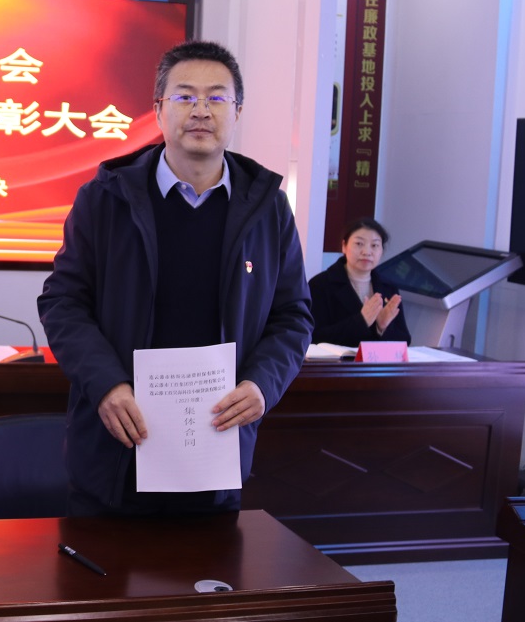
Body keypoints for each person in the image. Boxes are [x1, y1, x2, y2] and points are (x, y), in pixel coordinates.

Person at [38, 40, 312, 517]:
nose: (201, 110)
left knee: (210, 564)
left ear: (237, 111)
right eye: (185, 96)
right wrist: (106, 384)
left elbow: (293, 316)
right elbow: (63, 302)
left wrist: (262, 385)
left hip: (216, 449)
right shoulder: (105, 198)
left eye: (217, 98)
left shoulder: (267, 207)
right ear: (158, 109)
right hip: (114, 452)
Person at [308, 217, 410, 346]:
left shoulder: (389, 287)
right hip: (339, 359)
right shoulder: (320, 284)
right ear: (344, 246)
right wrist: (361, 321)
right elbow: (313, 336)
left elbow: (405, 340)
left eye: (374, 245)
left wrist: (382, 328)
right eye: (359, 244)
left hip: (377, 360)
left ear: (381, 251)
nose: (367, 252)